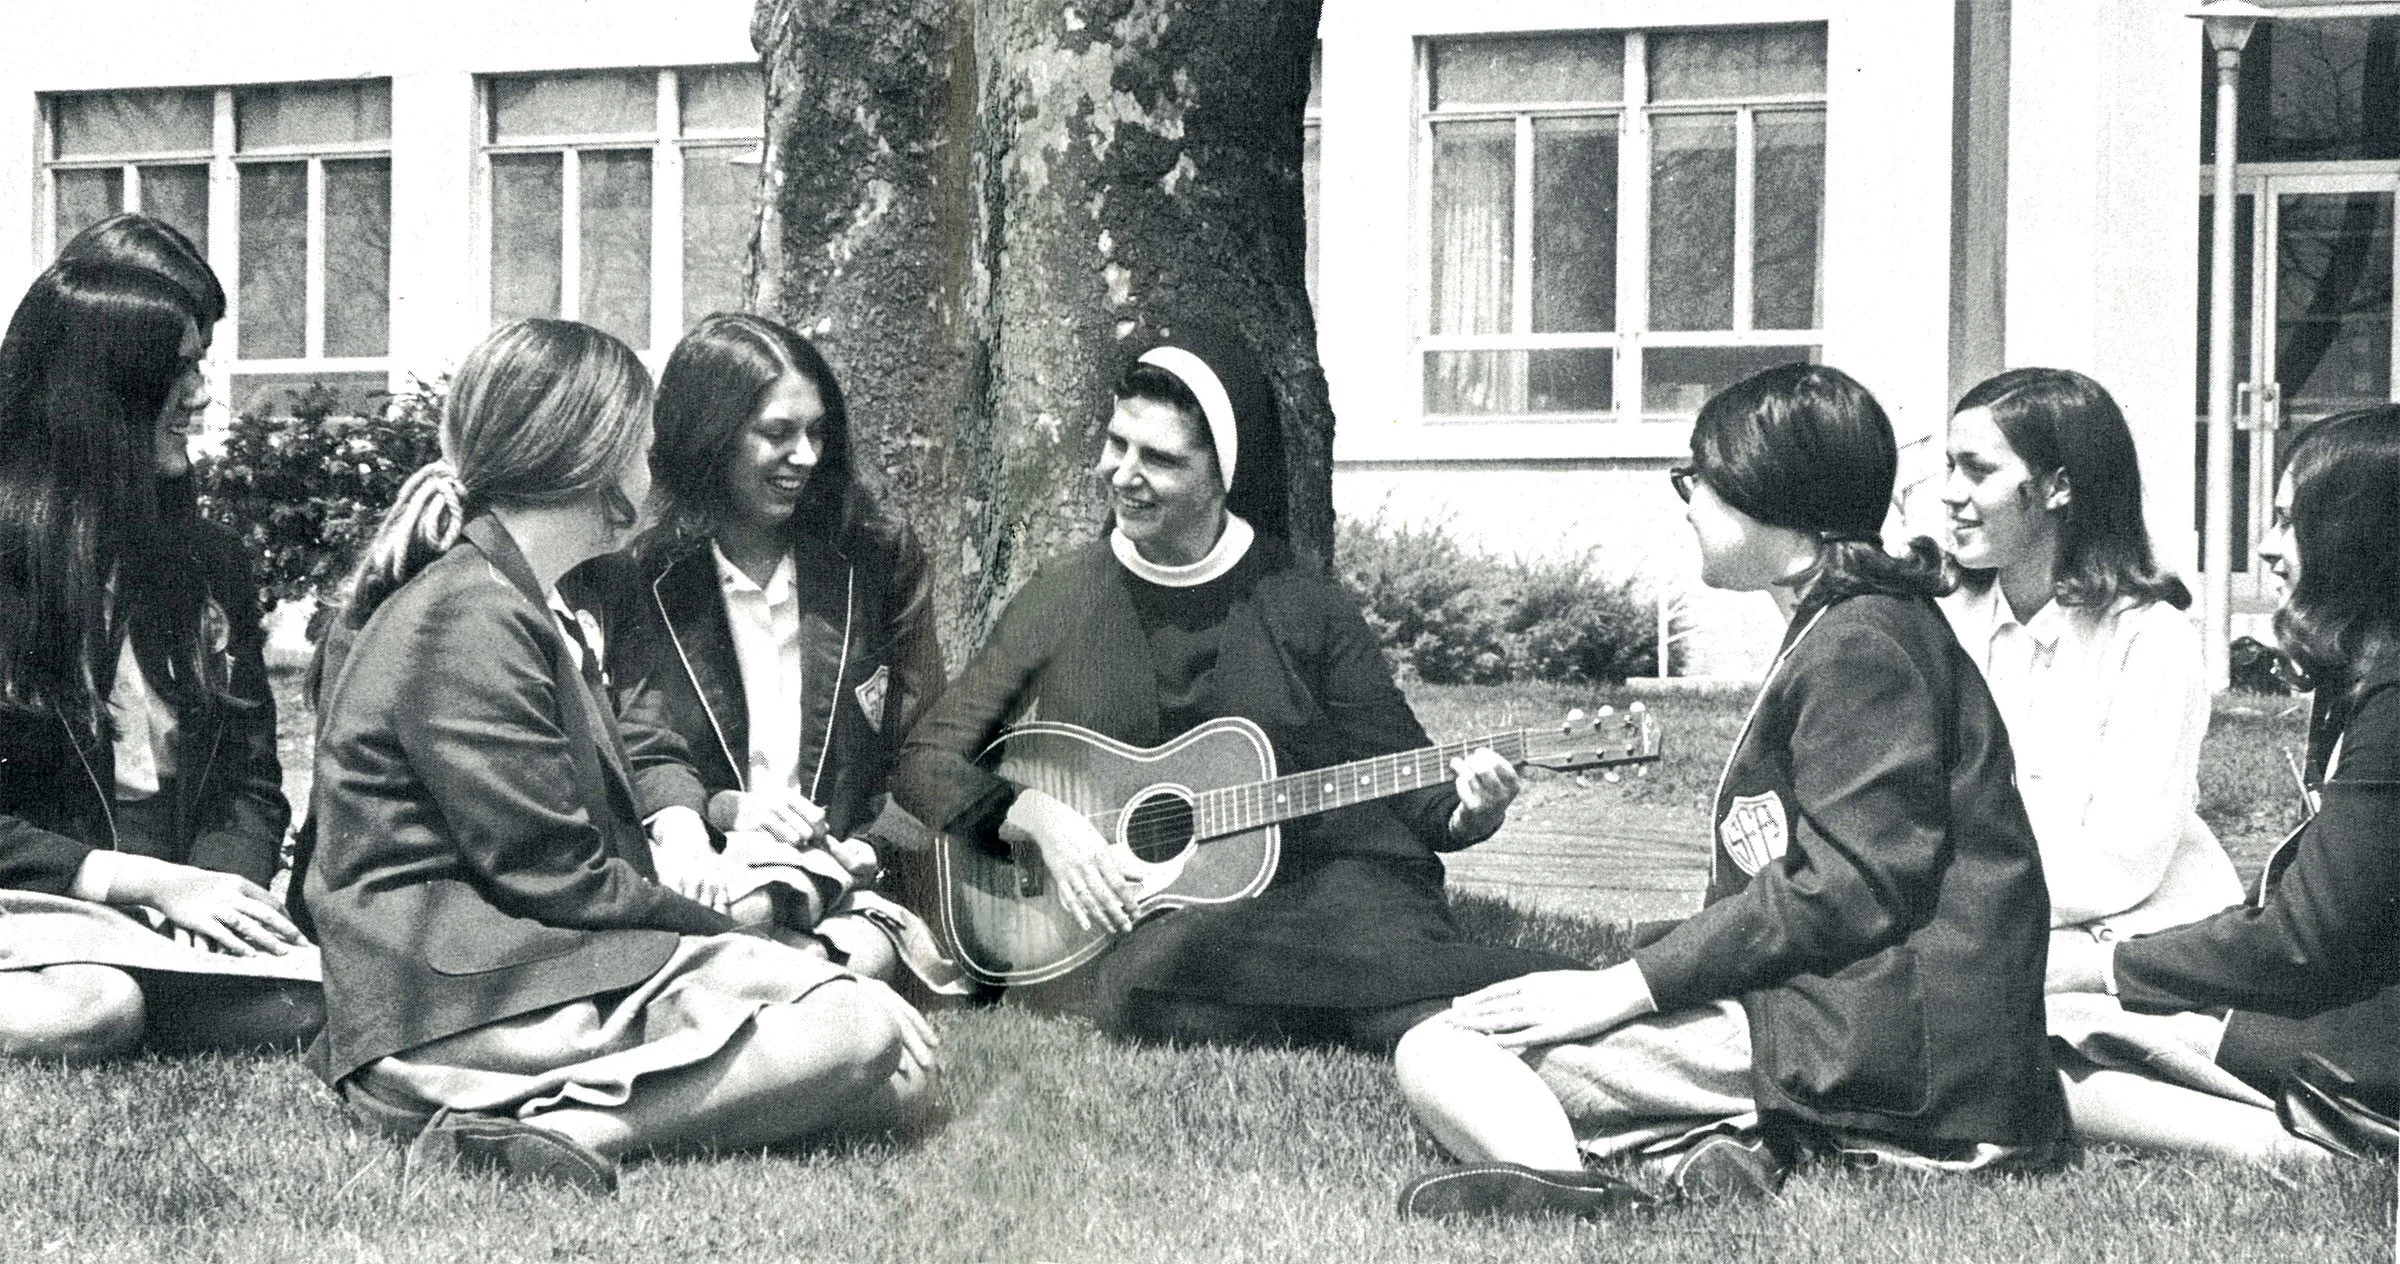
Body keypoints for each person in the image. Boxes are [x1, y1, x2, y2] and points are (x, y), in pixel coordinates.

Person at [1391, 364, 2070, 1221]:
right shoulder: (1855, 622)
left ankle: (1572, 1190)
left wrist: (1624, 987)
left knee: (1447, 1049)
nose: (1686, 501)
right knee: (1515, 1028)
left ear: (1779, 503)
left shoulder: (1863, 645)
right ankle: (1706, 1151)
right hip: (1864, 1017)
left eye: (1700, 479)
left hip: (1894, 1045)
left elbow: (1850, 887)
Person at [301, 319, 935, 1194]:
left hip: (514, 973)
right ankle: (566, 1130)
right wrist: (768, 940)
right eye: (642, 448)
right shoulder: (468, 621)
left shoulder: (522, 602)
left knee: (880, 1065)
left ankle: (563, 1111)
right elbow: (557, 879)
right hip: (450, 1003)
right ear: (591, 461)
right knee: (858, 1032)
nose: (656, 472)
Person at [889, 323, 1578, 1052]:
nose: (1122, 473)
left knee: (1184, 981)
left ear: (1223, 474)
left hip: (1325, 880)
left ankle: (1495, 992)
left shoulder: (1302, 602)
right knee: (1145, 975)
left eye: (1159, 458)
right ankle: (1416, 1001)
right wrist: (1035, 817)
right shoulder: (1063, 595)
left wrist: (1473, 812)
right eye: (1117, 443)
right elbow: (924, 759)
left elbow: (1411, 782)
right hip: (1179, 916)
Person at [2047, 404, 2400, 1161]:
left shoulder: (2394, 704)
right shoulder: (2371, 683)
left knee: (2044, 1033)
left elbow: (2307, 943)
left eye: (2289, 522)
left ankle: (2305, 1149)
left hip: (2369, 1038)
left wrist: (2106, 966)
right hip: (2363, 1016)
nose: (2268, 551)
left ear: (2358, 537)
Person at [564, 313, 957, 992]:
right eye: (777, 434)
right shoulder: (639, 568)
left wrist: (870, 848)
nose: (805, 455)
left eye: (817, 433)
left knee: (857, 956)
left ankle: (758, 968)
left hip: (849, 870)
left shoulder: (875, 553)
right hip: (708, 871)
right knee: (825, 966)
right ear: (711, 437)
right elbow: (640, 740)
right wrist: (719, 810)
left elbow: (927, 742)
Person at [0, 254, 317, 1062]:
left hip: (152, 917)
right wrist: (143, 883)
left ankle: (158, 990)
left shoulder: (211, 560)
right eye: (178, 370)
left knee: (327, 1001)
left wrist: (224, 895)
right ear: (93, 392)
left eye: (202, 363)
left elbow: (249, 780)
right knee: (91, 1011)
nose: (202, 395)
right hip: (38, 899)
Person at [1937, 369, 2241, 944]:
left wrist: (1949, 915)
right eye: (1951, 467)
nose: (1952, 493)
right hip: (1978, 928)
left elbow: (2122, 860)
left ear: (2059, 487)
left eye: (1978, 470)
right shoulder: (1944, 624)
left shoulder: (2150, 639)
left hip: (2133, 943)